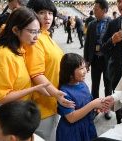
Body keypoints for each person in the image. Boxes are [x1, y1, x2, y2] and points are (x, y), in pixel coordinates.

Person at [0, 7, 49, 141]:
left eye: (38, 31)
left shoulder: (20, 48)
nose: (37, 36)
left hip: (11, 108)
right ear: (16, 30)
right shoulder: (3, 55)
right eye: (32, 31)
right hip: (0, 112)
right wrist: (34, 88)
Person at [25, 0, 75, 140]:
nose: (47, 17)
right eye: (41, 12)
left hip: (52, 101)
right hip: (42, 106)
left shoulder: (45, 35)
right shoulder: (36, 39)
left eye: (50, 13)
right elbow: (36, 74)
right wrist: (56, 94)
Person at [56, 53, 105, 141]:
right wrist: (93, 105)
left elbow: (86, 103)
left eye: (84, 67)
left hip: (87, 126)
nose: (85, 70)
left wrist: (95, 108)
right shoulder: (64, 92)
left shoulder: (82, 83)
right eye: (81, 68)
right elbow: (71, 118)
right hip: (72, 132)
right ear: (70, 73)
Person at [84, 0, 112, 120]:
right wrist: (86, 60)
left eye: (96, 9)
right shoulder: (92, 24)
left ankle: (106, 109)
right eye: (94, 9)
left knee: (108, 86)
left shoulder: (113, 23)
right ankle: (95, 109)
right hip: (95, 59)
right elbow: (87, 43)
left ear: (104, 10)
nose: (94, 11)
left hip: (107, 61)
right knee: (94, 86)